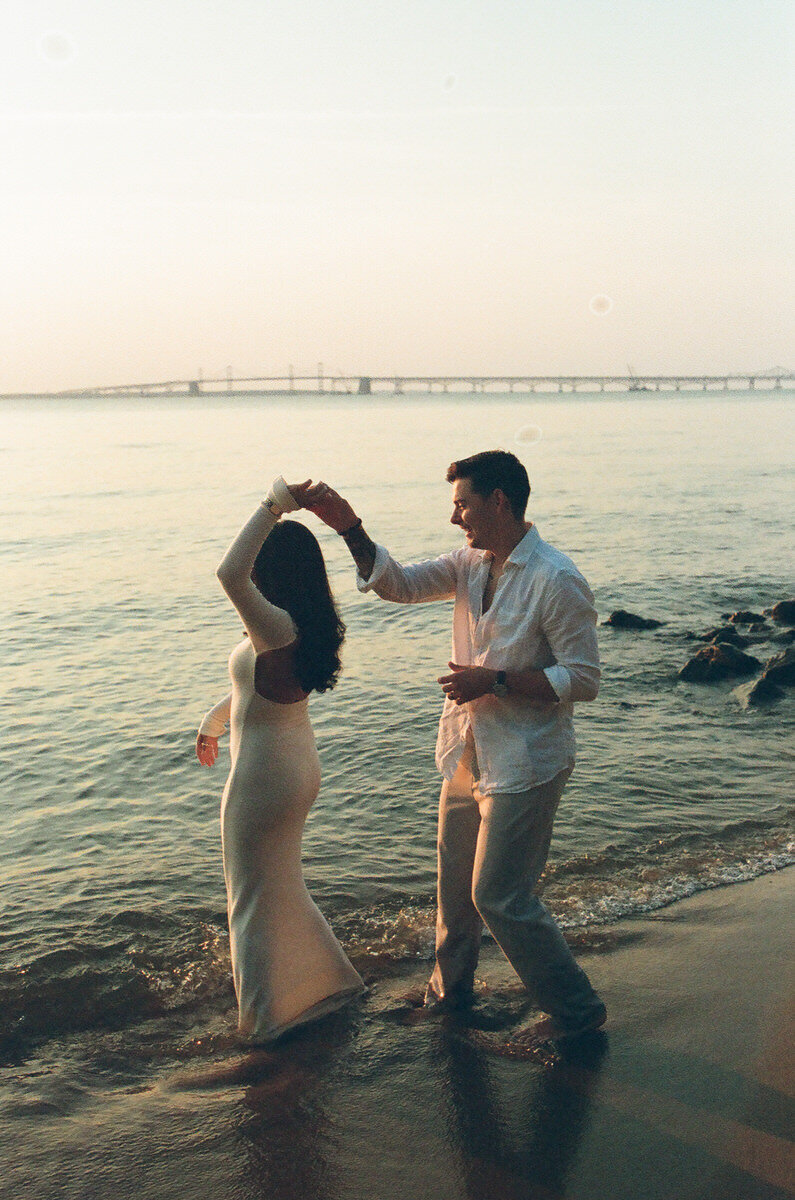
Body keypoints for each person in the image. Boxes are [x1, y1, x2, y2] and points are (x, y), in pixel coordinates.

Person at [308, 450, 606, 1044]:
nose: (455, 518)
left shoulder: (557, 578)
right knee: (453, 886)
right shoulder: (471, 564)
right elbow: (397, 584)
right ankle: (451, 996)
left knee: (499, 894)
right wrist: (348, 526)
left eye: (461, 504)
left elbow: (583, 679)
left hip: (527, 761)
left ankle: (576, 1011)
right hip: (469, 748)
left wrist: (491, 681)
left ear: (498, 501)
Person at [196, 476, 363, 1044]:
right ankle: (331, 982)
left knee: (249, 898)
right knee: (281, 886)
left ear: (272, 572)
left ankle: (265, 1024)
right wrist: (215, 721)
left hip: (263, 778)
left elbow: (227, 573)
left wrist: (273, 504)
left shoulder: (274, 624)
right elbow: (258, 689)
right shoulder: (303, 626)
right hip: (295, 766)